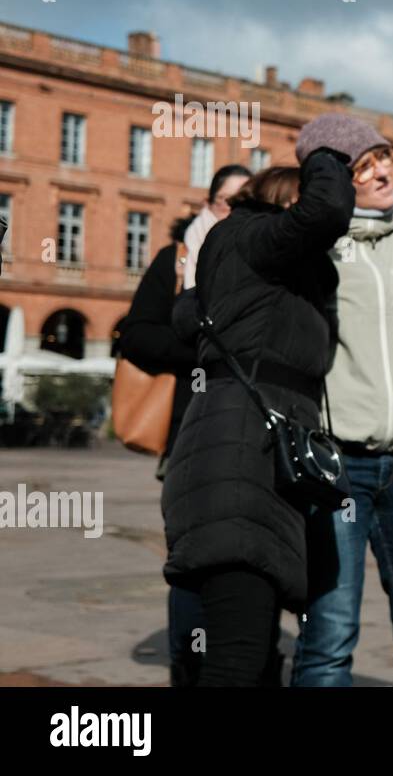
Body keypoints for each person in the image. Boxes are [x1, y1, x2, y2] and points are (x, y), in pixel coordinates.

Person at [161, 149, 354, 686]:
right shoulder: (254, 236)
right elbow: (328, 211)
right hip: (241, 461)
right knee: (239, 658)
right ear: (286, 201)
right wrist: (325, 150)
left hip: (234, 451)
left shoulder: (254, 268)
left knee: (241, 649)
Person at [289, 115, 393, 687]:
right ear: (334, 176)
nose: (384, 170)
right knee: (330, 638)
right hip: (339, 468)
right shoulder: (315, 252)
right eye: (365, 164)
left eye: (383, 157)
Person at [119, 214, 204, 685]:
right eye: (228, 203)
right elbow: (136, 336)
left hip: (259, 442)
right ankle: (187, 671)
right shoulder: (175, 262)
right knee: (190, 561)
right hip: (186, 437)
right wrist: (207, 347)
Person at [182, 164, 253, 291]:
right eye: (226, 200)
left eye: (246, 201)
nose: (235, 210)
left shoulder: (263, 257)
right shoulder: (173, 257)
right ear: (207, 203)